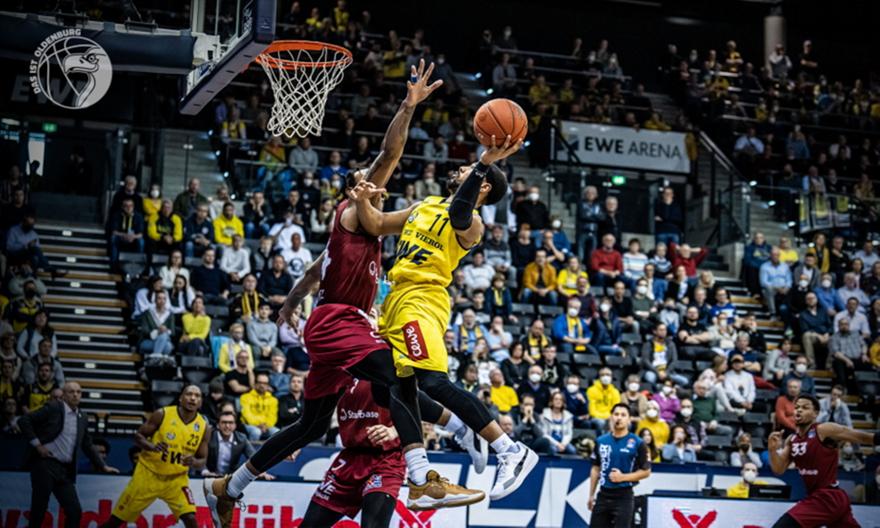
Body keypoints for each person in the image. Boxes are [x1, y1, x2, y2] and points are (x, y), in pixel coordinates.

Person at [205, 62, 487, 523]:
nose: (378, 180)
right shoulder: (355, 211)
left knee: (312, 424)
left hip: (328, 324)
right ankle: (429, 465)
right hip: (341, 321)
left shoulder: (362, 226)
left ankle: (231, 485)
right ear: (358, 186)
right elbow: (389, 152)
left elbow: (316, 269)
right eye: (369, 178)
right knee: (398, 374)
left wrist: (292, 303)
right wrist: (407, 106)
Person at [352, 129, 540, 501]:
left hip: (423, 300)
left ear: (483, 187)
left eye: (470, 168)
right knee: (386, 387)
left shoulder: (473, 225)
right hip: (396, 299)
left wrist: (485, 163)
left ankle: (510, 450)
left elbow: (459, 212)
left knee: (433, 382)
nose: (462, 168)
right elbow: (375, 224)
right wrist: (361, 197)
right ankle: (446, 443)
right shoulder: (424, 206)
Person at [100, 385, 208, 528]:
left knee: (191, 519)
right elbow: (138, 436)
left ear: (200, 402)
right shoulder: (162, 414)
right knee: (115, 522)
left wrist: (194, 462)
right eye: (189, 394)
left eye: (197, 396)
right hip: (148, 475)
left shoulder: (204, 426)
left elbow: (203, 460)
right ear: (181, 398)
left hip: (177, 480)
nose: (193, 398)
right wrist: (151, 446)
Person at [768, 394, 877, 528]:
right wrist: (772, 450)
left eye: (805, 407)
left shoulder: (824, 430)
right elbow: (778, 469)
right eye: (796, 407)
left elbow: (860, 437)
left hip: (827, 496)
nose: (799, 410)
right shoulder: (792, 439)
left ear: (816, 413)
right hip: (824, 499)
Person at [19, 382, 118, 528]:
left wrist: (103, 466)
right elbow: (24, 420)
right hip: (45, 464)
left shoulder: (82, 417)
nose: (75, 395)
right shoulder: (54, 408)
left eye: (78, 392)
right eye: (71, 392)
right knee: (38, 511)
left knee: (75, 511)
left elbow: (88, 445)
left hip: (65, 470)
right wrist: (38, 445)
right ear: (64, 395)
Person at [588, 404, 651, 527]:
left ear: (629, 419)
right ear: (611, 417)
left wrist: (623, 477)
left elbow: (646, 472)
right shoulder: (601, 441)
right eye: (616, 414)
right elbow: (595, 468)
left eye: (623, 415)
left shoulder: (638, 443)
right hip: (603, 495)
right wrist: (591, 495)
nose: (619, 418)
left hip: (624, 496)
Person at [203, 411, 257, 477]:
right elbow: (199, 457)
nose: (227, 426)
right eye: (224, 422)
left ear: (235, 425)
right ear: (218, 425)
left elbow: (254, 457)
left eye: (231, 423)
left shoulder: (242, 438)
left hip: (232, 478)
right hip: (210, 476)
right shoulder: (209, 436)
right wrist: (205, 471)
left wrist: (260, 472)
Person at [829, 317, 869, 392]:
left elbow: (863, 345)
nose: (844, 326)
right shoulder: (834, 337)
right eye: (842, 324)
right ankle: (843, 390)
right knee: (838, 363)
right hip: (843, 360)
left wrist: (864, 354)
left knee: (867, 363)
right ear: (838, 326)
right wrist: (847, 360)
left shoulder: (856, 334)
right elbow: (836, 353)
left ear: (849, 325)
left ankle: (865, 392)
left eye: (846, 324)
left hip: (857, 359)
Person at [239, 373, 279, 441]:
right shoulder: (245, 397)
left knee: (277, 432)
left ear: (268, 385)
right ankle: (252, 451)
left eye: (265, 383)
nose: (262, 385)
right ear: (255, 384)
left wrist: (265, 425)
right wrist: (258, 425)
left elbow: (272, 417)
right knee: (256, 432)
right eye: (260, 382)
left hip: (266, 426)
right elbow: (247, 415)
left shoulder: (273, 400)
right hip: (249, 425)